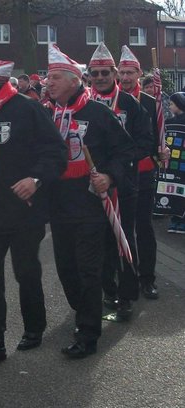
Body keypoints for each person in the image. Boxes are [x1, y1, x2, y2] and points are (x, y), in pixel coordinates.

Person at [0, 46, 67, 372]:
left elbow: (56, 153)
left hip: (24, 210)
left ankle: (34, 327)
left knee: (26, 271)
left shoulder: (28, 110)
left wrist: (35, 179)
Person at [46, 44, 135, 357]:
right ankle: (83, 312)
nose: (48, 82)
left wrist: (109, 176)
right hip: (57, 208)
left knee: (88, 271)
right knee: (66, 270)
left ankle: (88, 334)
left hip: (88, 206)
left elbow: (125, 151)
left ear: (73, 81)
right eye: (47, 77)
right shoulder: (48, 114)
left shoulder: (98, 113)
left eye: (55, 77)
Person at [89, 42, 154, 320]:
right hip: (93, 186)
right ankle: (109, 291)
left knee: (124, 238)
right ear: (90, 75)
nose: (101, 77)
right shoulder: (85, 104)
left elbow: (145, 142)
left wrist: (121, 164)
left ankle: (127, 295)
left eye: (106, 72)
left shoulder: (130, 104)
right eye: (96, 73)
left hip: (125, 184)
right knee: (102, 241)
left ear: (115, 73)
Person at [118, 45, 170, 299]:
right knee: (121, 229)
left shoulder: (151, 102)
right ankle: (127, 274)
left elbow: (158, 134)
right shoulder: (109, 100)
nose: (126, 77)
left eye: (131, 72)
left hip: (143, 171)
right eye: (122, 72)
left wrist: (163, 148)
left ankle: (147, 277)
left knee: (143, 227)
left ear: (139, 74)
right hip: (117, 174)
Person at [165, 92, 185, 234]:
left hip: (181, 161)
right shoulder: (169, 122)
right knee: (172, 190)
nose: (170, 107)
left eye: (172, 104)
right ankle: (175, 219)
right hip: (173, 163)